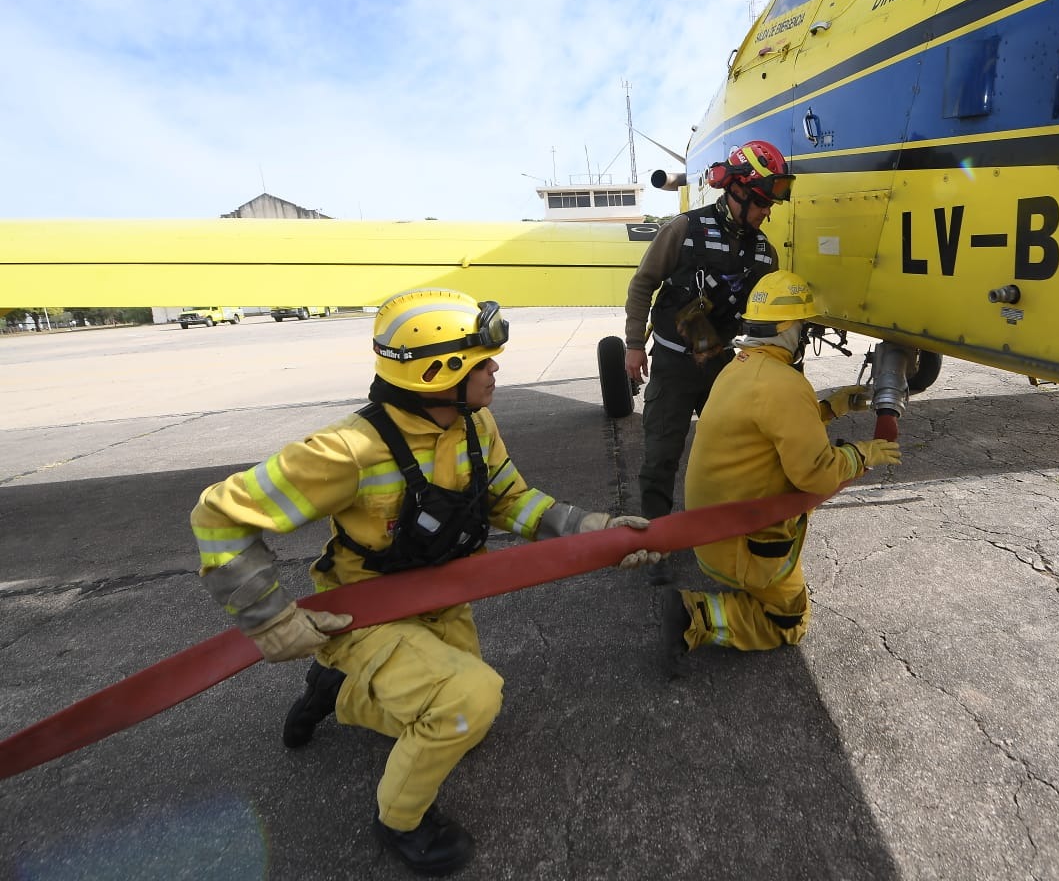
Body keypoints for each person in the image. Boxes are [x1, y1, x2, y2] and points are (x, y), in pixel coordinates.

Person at [190, 288, 662, 876]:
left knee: (466, 721)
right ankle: (399, 823)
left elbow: (509, 499)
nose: (494, 370)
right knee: (467, 701)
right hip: (366, 615)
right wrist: (271, 620)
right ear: (439, 371)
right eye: (481, 361)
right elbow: (218, 514)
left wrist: (592, 531)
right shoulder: (348, 451)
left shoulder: (475, 423)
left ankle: (338, 692)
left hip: (441, 601)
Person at [655, 270, 901, 671]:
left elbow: (776, 427)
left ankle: (716, 603)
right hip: (745, 548)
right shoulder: (784, 383)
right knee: (790, 620)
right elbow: (817, 474)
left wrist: (835, 406)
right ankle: (693, 616)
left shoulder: (739, 369)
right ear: (788, 329)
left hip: (712, 532)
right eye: (803, 327)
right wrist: (863, 454)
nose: (804, 336)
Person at [623, 140, 795, 538]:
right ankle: (657, 538)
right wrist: (634, 345)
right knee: (662, 454)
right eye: (762, 203)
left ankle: (726, 530)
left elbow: (765, 316)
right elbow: (642, 284)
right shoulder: (683, 230)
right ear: (736, 191)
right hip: (672, 364)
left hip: (722, 366)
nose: (768, 213)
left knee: (733, 450)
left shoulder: (767, 255)